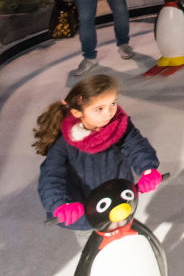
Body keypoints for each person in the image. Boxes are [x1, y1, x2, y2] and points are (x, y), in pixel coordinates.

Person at [35, 74, 162, 231]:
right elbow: (51, 176)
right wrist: (60, 204)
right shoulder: (65, 144)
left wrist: (147, 170)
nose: (109, 113)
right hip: (87, 214)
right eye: (99, 109)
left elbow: (136, 146)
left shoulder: (119, 125)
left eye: (113, 103)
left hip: (120, 201)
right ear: (77, 113)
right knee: (97, 252)